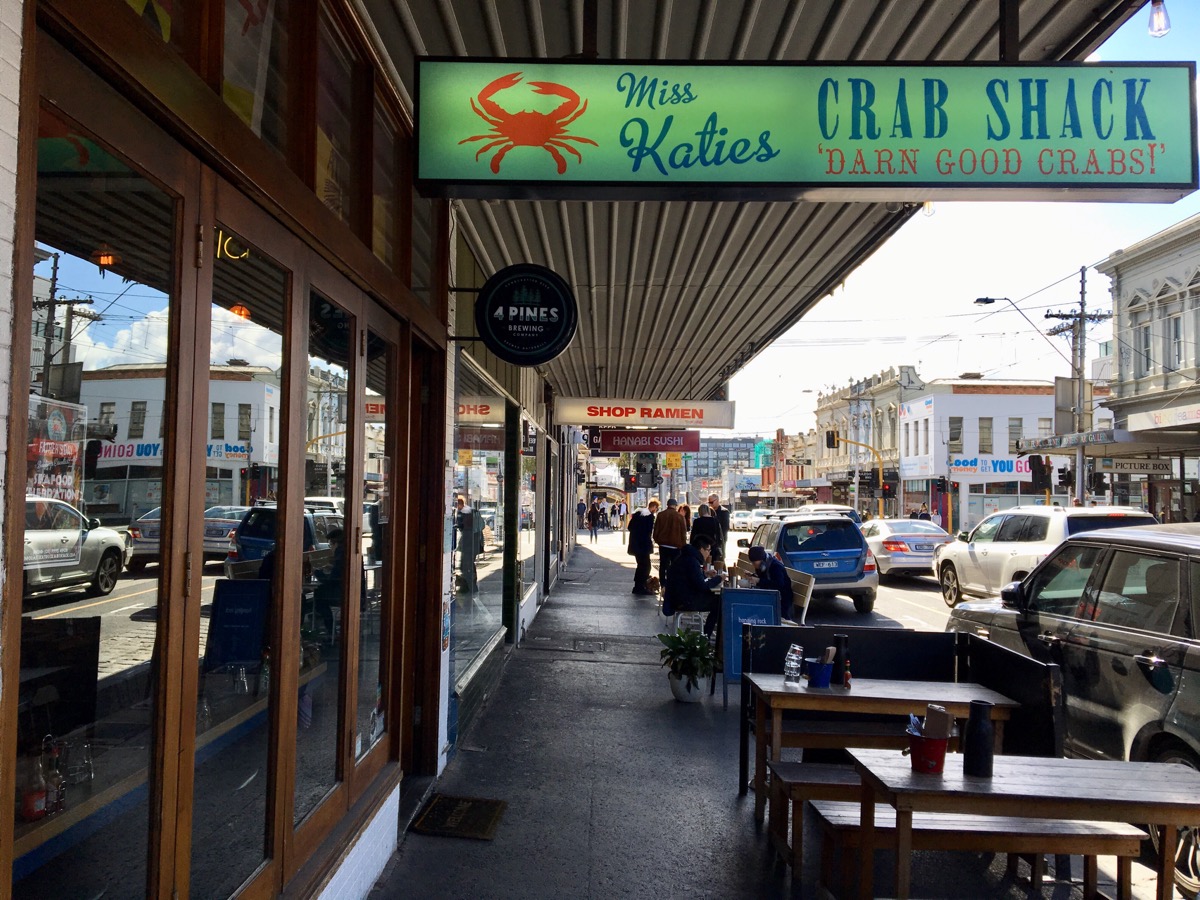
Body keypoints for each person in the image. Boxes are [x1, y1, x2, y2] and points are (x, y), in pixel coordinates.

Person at [663, 534, 723, 636]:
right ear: (701, 549)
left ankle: (707, 635)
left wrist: (705, 574)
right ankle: (706, 636)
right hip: (685, 601)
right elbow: (702, 586)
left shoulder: (684, 557)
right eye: (708, 550)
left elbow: (691, 578)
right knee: (719, 603)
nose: (709, 553)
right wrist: (719, 578)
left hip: (678, 598)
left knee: (717, 600)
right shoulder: (692, 561)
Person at [748, 545, 794, 620]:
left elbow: (779, 584)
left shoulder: (776, 566)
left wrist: (759, 581)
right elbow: (765, 580)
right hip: (772, 596)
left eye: (754, 563)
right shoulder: (764, 566)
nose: (753, 565)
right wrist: (753, 577)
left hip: (782, 599)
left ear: (762, 560)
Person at [627, 498, 658, 595]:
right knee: (646, 566)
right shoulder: (649, 517)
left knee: (641, 565)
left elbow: (629, 527)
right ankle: (640, 586)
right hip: (643, 546)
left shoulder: (637, 514)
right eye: (656, 508)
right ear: (653, 507)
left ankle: (638, 586)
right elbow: (648, 532)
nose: (655, 510)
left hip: (635, 545)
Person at [652, 497, 688, 582]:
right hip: (676, 546)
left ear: (667, 505)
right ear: (675, 506)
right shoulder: (680, 517)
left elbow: (656, 530)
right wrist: (683, 545)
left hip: (663, 545)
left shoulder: (660, 515)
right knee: (674, 566)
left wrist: (657, 540)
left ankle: (662, 584)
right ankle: (672, 583)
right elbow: (683, 533)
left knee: (663, 565)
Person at [690, 504, 723, 569]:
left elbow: (693, 537)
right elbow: (718, 537)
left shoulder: (697, 521)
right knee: (711, 567)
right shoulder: (715, 521)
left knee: (701, 567)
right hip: (712, 548)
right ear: (708, 510)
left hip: (700, 548)